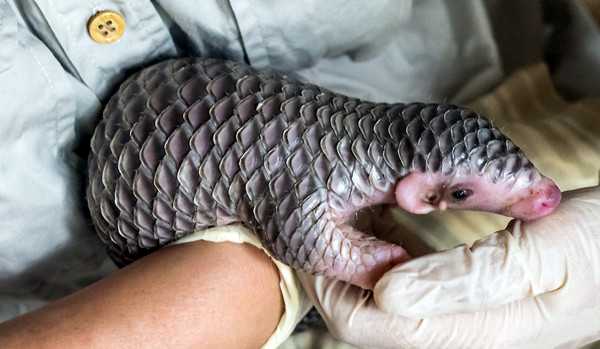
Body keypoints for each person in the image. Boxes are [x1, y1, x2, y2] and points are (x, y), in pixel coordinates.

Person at [2, 1, 600, 348]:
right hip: (127, 240)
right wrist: (376, 265)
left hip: (531, 81)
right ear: (424, 193)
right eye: (465, 193)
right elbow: (299, 224)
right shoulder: (331, 182)